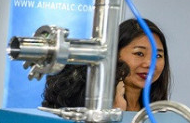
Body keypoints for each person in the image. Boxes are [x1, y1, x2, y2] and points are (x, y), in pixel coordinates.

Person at [42, 18, 170, 111]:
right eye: (139, 54)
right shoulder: (90, 102)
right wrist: (114, 113)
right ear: (114, 53)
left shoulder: (158, 111)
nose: (149, 63)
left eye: (158, 56)